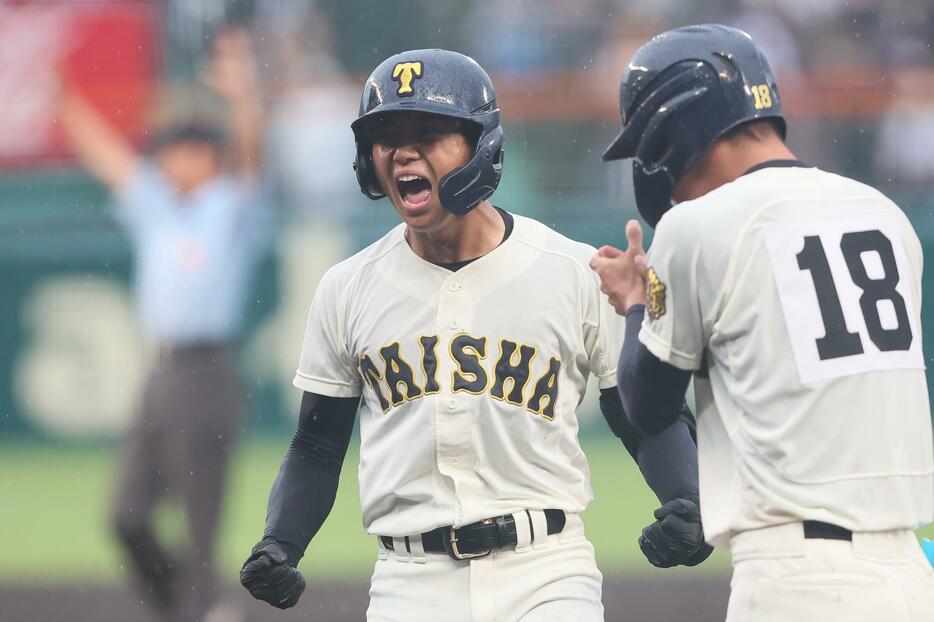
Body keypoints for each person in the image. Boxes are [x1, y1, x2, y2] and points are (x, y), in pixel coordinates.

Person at [239, 48, 711, 621]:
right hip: (408, 581)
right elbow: (316, 443)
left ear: (480, 145)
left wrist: (687, 499)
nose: (402, 151)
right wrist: (281, 540)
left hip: (546, 570)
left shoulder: (571, 270)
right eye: (386, 134)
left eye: (429, 131)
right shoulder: (347, 287)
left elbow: (639, 416)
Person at [590, 23, 934, 621]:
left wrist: (635, 304)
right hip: (910, 570)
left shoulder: (698, 226)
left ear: (674, 127)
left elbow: (647, 404)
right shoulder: (885, 214)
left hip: (795, 576)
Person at [58, 28, 267, 622]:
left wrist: (244, 97)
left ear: (207, 157)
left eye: (184, 150)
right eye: (169, 150)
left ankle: (200, 607)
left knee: (200, 528)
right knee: (126, 516)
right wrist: (64, 102)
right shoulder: (157, 204)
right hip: (162, 371)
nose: (172, 160)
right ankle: (191, 610)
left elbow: (252, 155)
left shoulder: (230, 205)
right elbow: (110, 160)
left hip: (207, 370)